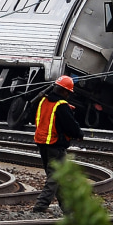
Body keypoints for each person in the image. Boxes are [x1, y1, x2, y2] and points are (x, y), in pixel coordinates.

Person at [32, 75, 84, 213]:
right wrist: (79, 134)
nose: (68, 95)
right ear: (65, 91)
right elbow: (70, 126)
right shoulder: (61, 106)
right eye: (68, 92)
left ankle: (67, 208)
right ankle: (41, 205)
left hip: (42, 142)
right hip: (55, 145)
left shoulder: (44, 101)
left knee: (57, 177)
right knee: (55, 177)